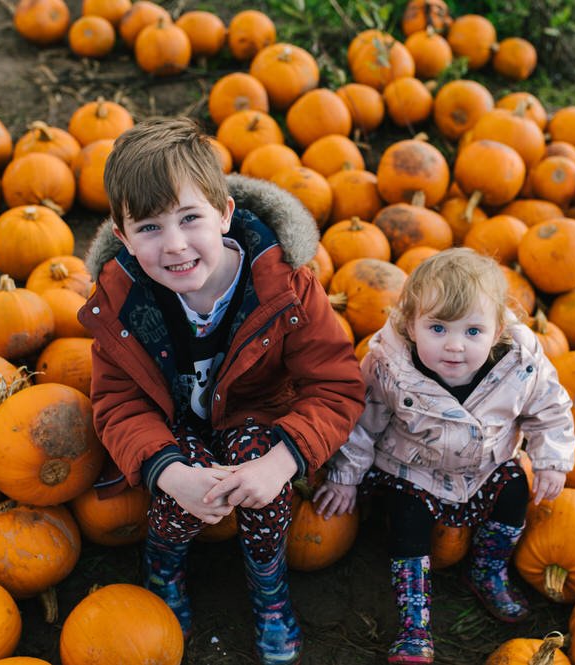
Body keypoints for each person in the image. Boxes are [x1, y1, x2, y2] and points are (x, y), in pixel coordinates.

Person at [78, 117, 365, 665]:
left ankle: (268, 584)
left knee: (262, 475)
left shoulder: (284, 288)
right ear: (122, 235)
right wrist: (171, 472)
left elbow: (336, 386)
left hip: (256, 422)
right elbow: (118, 403)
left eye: (191, 219)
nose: (176, 245)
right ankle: (164, 565)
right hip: (176, 428)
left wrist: (283, 462)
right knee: (178, 488)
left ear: (225, 213)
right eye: (150, 229)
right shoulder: (122, 304)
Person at [313, 248, 575, 664]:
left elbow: (549, 408)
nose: (455, 346)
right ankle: (413, 619)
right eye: (437, 328)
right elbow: (363, 420)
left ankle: (487, 570)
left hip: (487, 465)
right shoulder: (388, 364)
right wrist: (345, 475)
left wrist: (551, 459)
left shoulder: (521, 363)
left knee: (514, 492)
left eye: (473, 332)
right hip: (412, 469)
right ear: (410, 324)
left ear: (498, 329)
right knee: (407, 519)